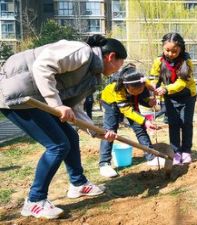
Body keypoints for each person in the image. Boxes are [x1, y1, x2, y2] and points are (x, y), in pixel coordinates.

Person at [0, 34, 126, 218]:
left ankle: (78, 184)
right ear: (111, 57)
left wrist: (96, 131)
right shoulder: (81, 52)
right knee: (58, 145)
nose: (118, 69)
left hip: (37, 98)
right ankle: (34, 201)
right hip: (17, 95)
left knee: (71, 137)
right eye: (120, 64)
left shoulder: (91, 75)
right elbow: (42, 66)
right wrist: (56, 104)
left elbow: (75, 107)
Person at [99, 64, 163, 178]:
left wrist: (149, 102)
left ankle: (151, 157)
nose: (138, 92)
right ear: (126, 87)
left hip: (129, 102)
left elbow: (140, 97)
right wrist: (145, 121)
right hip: (111, 103)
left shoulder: (143, 82)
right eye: (134, 90)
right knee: (110, 131)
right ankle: (104, 164)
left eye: (140, 89)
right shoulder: (117, 89)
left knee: (139, 128)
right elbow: (127, 110)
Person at [150, 32, 197, 165]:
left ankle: (186, 151)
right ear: (163, 48)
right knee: (173, 124)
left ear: (181, 49)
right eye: (167, 50)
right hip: (170, 98)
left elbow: (182, 83)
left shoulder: (186, 61)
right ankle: (176, 152)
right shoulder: (158, 62)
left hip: (187, 96)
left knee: (186, 123)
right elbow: (154, 77)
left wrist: (166, 88)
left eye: (174, 51)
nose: (170, 54)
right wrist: (153, 86)